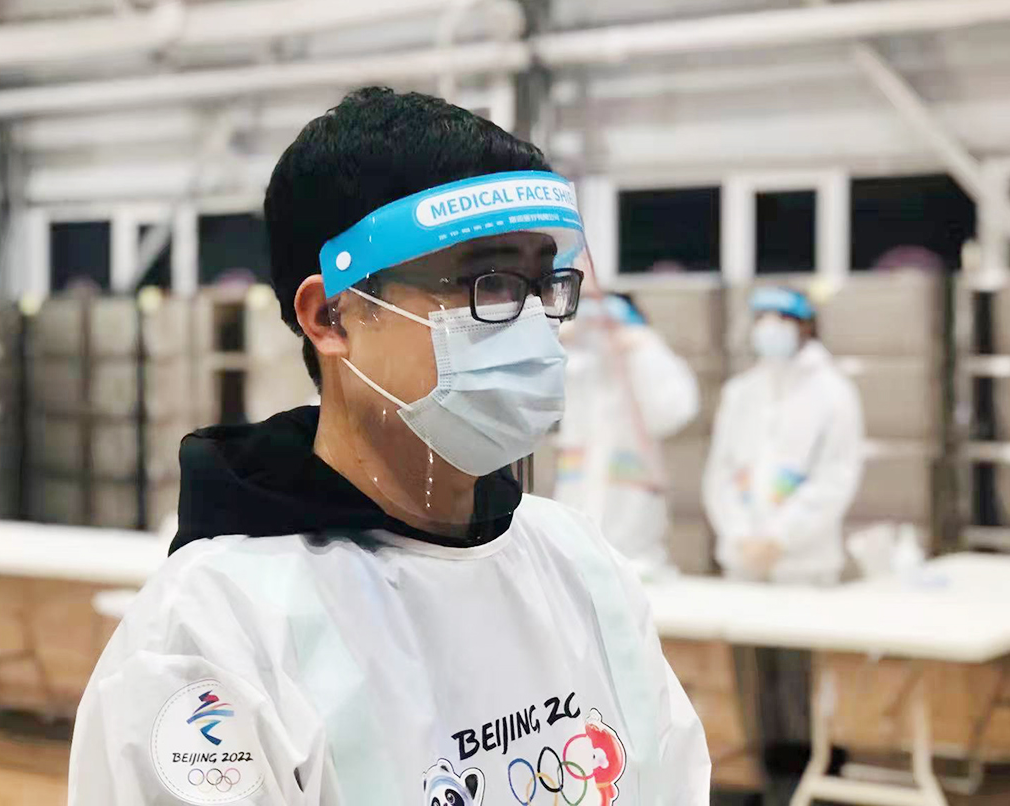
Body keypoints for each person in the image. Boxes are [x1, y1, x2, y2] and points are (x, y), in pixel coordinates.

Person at [68, 88, 709, 806]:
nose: (531, 323)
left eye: (543, 285)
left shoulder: (580, 567)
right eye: (488, 282)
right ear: (330, 316)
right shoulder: (216, 634)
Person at [702, 285, 863, 806]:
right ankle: (767, 776)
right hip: (744, 562)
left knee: (799, 679)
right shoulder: (741, 391)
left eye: (779, 318)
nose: (767, 328)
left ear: (805, 325)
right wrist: (738, 534)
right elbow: (720, 474)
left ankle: (811, 777)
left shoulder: (833, 393)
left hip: (802, 564)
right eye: (761, 317)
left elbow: (836, 477)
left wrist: (781, 537)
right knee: (753, 679)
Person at [554, 292, 699, 577]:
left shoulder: (649, 363)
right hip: (575, 556)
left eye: (609, 325)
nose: (600, 335)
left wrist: (644, 350)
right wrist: (558, 337)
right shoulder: (577, 371)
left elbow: (673, 412)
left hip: (636, 556)